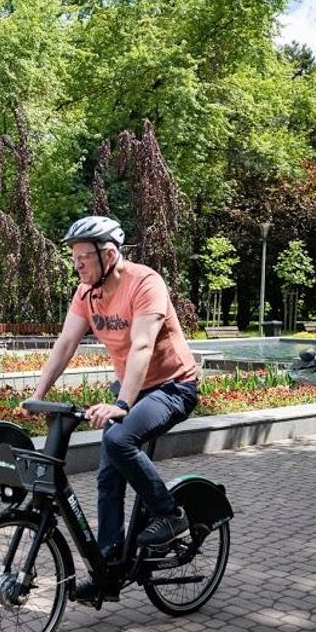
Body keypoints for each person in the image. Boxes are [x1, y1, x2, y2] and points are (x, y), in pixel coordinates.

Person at [26, 216, 199, 600]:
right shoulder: (85, 293)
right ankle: (108, 568)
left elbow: (141, 346)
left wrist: (122, 403)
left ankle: (171, 515)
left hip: (172, 386)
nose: (77, 265)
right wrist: (39, 393)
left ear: (109, 254)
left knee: (120, 440)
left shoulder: (146, 283)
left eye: (83, 258)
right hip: (130, 387)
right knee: (108, 476)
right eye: (73, 258)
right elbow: (66, 342)